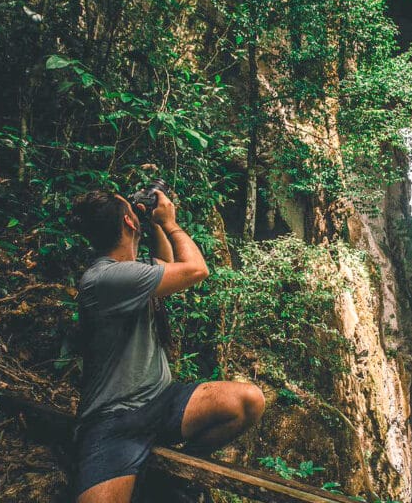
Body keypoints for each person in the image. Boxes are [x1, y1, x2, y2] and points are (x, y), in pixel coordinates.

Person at [69, 189, 265, 502]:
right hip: (114, 419)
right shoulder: (104, 278)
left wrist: (155, 224)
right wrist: (171, 223)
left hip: (161, 401)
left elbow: (168, 263)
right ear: (130, 224)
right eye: (133, 212)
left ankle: (168, 472)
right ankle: (145, 473)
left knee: (247, 400)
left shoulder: (133, 270)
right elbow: (195, 270)